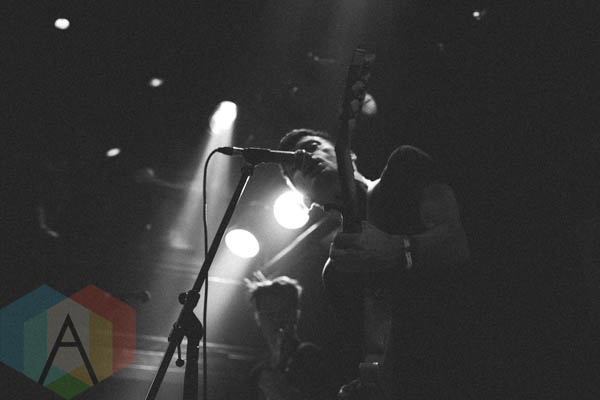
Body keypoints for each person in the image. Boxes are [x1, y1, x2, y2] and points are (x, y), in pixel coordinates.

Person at [277, 128, 478, 399]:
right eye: (294, 165)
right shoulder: (336, 271)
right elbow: (371, 353)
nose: (304, 157)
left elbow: (458, 244)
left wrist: (398, 249)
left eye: (312, 146)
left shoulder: (403, 167)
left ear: (348, 153)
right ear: (304, 199)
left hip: (473, 358)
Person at [245, 273, 338, 400]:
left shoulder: (310, 357)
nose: (277, 319)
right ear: (258, 318)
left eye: (283, 312)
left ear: (296, 314)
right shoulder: (257, 374)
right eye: (269, 313)